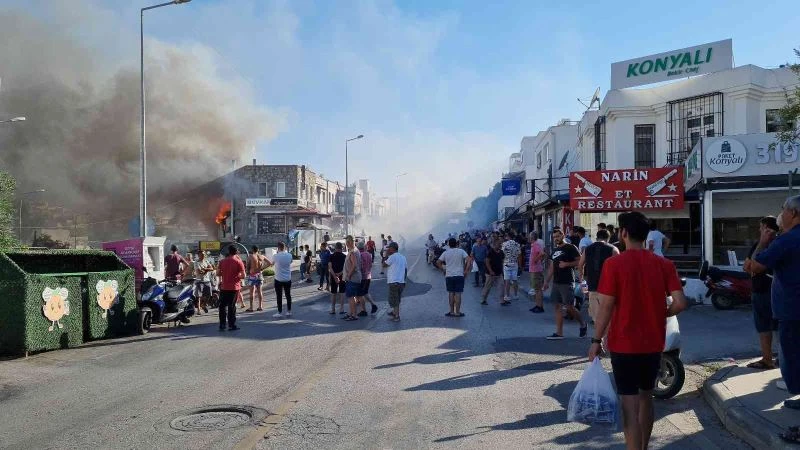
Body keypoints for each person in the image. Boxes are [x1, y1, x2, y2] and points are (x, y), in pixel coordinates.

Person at [588, 211, 687, 450]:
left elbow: (606, 307)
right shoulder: (664, 264)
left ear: (623, 233)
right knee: (646, 399)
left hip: (623, 345)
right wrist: (662, 313)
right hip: (653, 344)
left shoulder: (613, 264)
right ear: (646, 235)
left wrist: (595, 340)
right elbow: (680, 302)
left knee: (629, 407)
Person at [748, 195, 800, 416]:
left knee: (792, 358)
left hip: (792, 310)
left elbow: (755, 266)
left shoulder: (786, 241)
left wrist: (763, 241)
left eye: (783, 209)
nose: (781, 214)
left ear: (793, 213)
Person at [742, 216, 780, 370]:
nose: (759, 230)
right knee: (764, 326)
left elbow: (755, 267)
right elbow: (747, 266)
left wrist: (763, 243)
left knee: (777, 326)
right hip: (759, 290)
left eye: (761, 227)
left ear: (766, 228)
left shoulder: (776, 244)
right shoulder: (758, 245)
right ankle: (768, 358)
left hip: (771, 291)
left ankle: (777, 359)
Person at [543, 228, 587, 339]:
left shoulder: (570, 247)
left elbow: (580, 261)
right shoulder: (555, 250)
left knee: (569, 307)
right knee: (557, 306)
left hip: (567, 281)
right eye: (554, 237)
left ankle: (583, 324)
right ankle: (559, 333)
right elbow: (551, 267)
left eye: (558, 236)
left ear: (562, 235)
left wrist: (567, 264)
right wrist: (546, 281)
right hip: (556, 282)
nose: (556, 239)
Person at [579, 229, 619, 346]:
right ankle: (605, 340)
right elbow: (619, 268)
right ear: (608, 238)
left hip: (592, 288)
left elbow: (580, 265)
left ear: (596, 237)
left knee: (597, 318)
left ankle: (599, 341)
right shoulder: (613, 249)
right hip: (608, 290)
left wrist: (583, 284)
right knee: (609, 317)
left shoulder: (588, 249)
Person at [437, 238, 472, 317]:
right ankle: (458, 312)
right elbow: (469, 260)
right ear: (456, 244)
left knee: (451, 293)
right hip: (459, 275)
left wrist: (443, 270)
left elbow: (438, 262)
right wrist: (466, 271)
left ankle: (451, 311)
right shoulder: (461, 251)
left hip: (449, 275)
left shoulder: (446, 253)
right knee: (458, 293)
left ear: (449, 244)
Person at [216, 245, 246, 331]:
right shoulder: (238, 262)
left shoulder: (222, 261)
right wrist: (237, 276)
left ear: (229, 252)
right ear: (236, 252)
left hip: (224, 287)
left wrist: (225, 274)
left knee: (222, 306)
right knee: (231, 306)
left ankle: (222, 324)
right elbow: (243, 275)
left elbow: (218, 273)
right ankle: (231, 325)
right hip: (234, 287)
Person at [383, 242, 407, 322]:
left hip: (394, 282)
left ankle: (396, 316)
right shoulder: (403, 257)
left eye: (389, 248)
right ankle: (394, 312)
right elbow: (405, 270)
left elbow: (384, 265)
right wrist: (404, 280)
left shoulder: (392, 257)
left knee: (394, 300)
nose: (388, 249)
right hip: (401, 282)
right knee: (397, 299)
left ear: (392, 248)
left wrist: (386, 256)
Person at [343, 235, 363, 321]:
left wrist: (348, 275)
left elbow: (354, 265)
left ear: (349, 242)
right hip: (355, 277)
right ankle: (351, 313)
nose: (346, 244)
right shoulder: (355, 250)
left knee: (351, 297)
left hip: (352, 278)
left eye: (346, 242)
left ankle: (354, 315)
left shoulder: (353, 252)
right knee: (351, 297)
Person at [272, 242, 293, 318]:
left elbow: (272, 263)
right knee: (288, 295)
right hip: (287, 278)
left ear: (278, 248)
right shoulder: (289, 255)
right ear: (284, 247)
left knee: (279, 296)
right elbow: (291, 262)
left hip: (278, 279)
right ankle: (289, 311)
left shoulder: (275, 256)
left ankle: (279, 312)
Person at [357, 240, 378, 316]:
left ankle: (364, 310)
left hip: (362, 277)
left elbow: (360, 266)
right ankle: (373, 305)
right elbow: (371, 265)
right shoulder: (369, 254)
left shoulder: (360, 255)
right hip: (368, 275)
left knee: (360, 294)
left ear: (358, 248)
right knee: (365, 292)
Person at [247, 246, 271, 312]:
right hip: (259, 275)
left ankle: (251, 307)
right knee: (259, 291)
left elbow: (247, 266)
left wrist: (247, 272)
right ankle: (260, 306)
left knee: (252, 292)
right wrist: (262, 268)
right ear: (258, 250)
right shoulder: (262, 256)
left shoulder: (251, 256)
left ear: (252, 249)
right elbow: (269, 263)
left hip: (252, 276)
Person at [501, 233, 522, 304]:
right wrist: (520, 265)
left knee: (507, 280)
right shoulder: (517, 244)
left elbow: (502, 254)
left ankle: (507, 295)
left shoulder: (504, 244)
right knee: (515, 280)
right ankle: (516, 295)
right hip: (514, 264)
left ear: (508, 237)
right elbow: (519, 255)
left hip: (506, 264)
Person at [481, 239, 504, 305]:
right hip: (490, 274)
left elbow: (502, 261)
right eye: (499, 244)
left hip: (499, 273)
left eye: (500, 244)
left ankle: (502, 301)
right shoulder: (490, 252)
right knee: (487, 287)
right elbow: (487, 262)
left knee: (501, 286)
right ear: (494, 244)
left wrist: (502, 270)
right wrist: (490, 271)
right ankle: (483, 300)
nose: (500, 245)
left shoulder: (501, 252)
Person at [528, 231, 546, 313]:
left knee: (538, 289)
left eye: (530, 236)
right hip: (535, 269)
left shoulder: (536, 245)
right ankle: (537, 305)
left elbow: (542, 253)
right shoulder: (534, 245)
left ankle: (540, 306)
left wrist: (536, 260)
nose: (529, 238)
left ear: (532, 237)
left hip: (536, 270)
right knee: (536, 289)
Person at [328, 242, 347, 315]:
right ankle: (342, 309)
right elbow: (345, 268)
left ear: (335, 248)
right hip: (342, 276)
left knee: (333, 293)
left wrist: (335, 276)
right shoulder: (344, 256)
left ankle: (333, 309)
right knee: (342, 292)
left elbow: (330, 267)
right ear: (341, 248)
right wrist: (339, 274)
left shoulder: (331, 256)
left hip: (333, 276)